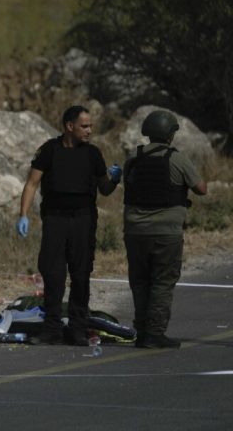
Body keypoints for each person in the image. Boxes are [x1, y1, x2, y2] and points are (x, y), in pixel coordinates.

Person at [16, 105, 121, 345]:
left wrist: (115, 179)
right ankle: (51, 329)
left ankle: (77, 329)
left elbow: (104, 189)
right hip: (55, 219)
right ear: (69, 126)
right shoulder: (49, 150)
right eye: (84, 126)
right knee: (53, 275)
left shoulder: (93, 154)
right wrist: (23, 215)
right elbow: (31, 184)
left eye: (90, 126)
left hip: (83, 220)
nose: (89, 130)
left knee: (81, 275)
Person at [122, 110, 207, 349]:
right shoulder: (177, 159)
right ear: (170, 135)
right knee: (162, 282)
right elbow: (201, 189)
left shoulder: (133, 159)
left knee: (140, 281)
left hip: (134, 231)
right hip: (165, 233)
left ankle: (141, 331)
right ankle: (155, 333)